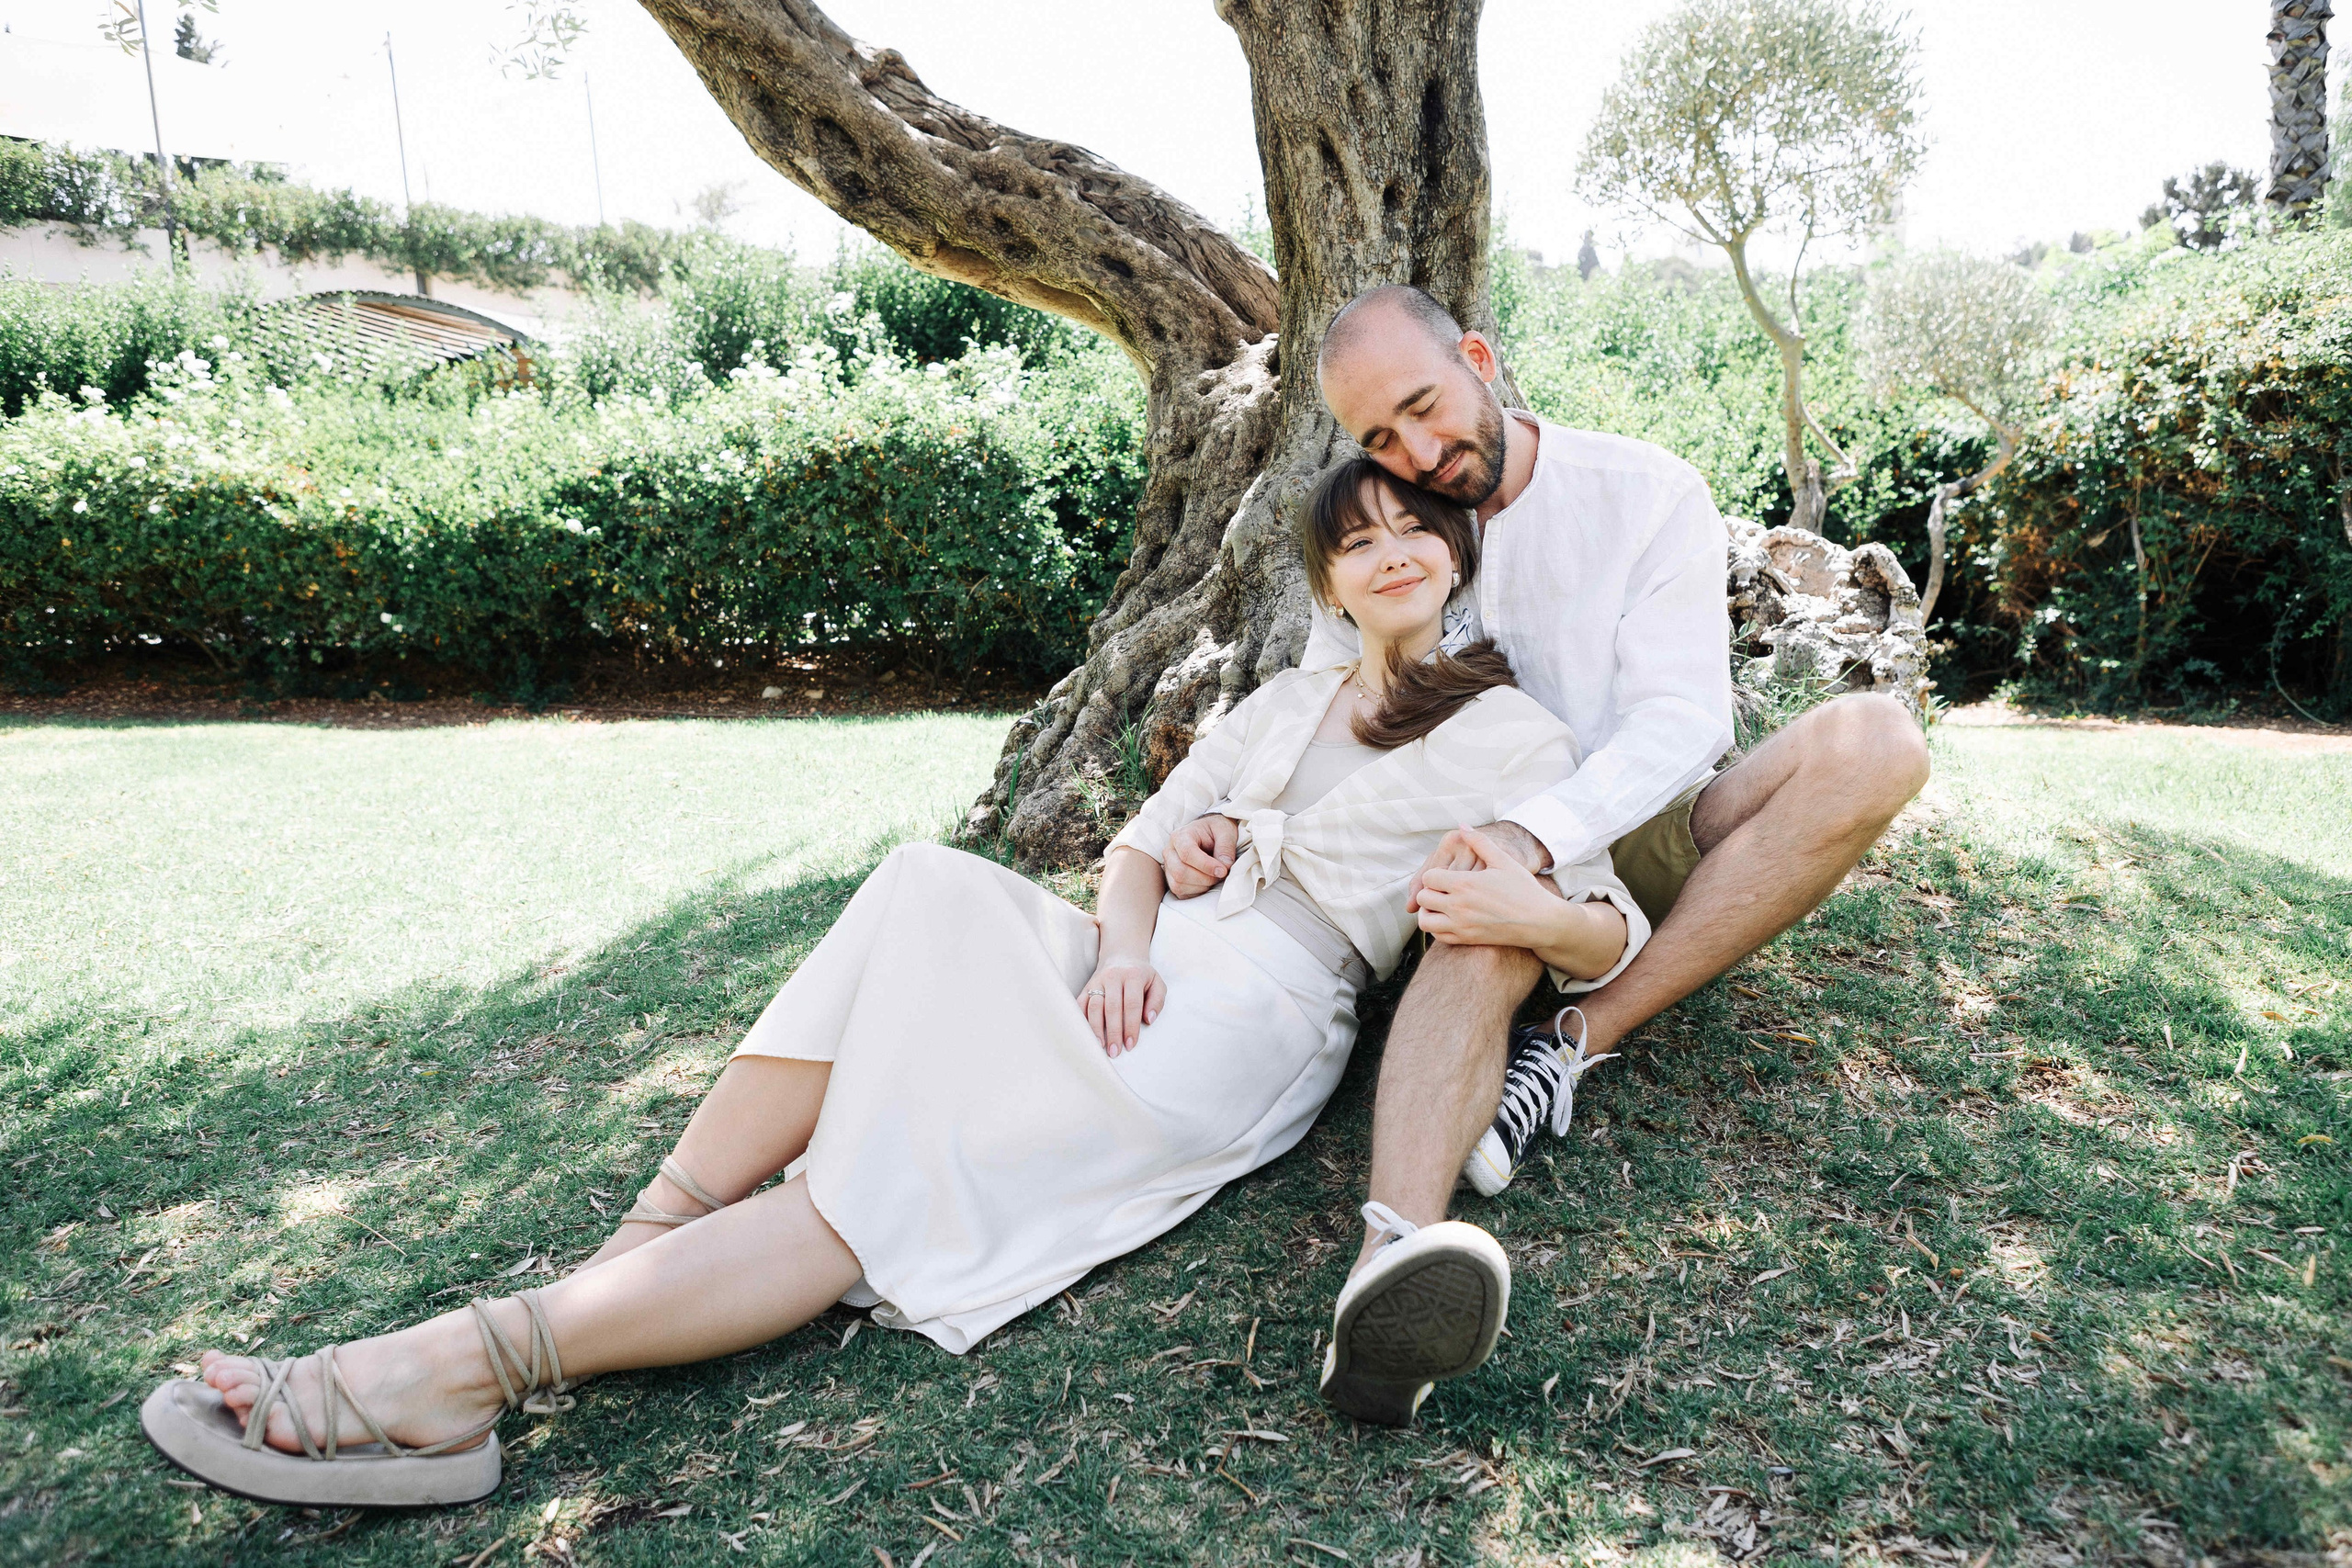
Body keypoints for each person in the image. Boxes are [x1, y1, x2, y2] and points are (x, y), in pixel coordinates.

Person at [141, 457, 1649, 1506]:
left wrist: (1518, 904)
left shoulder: (1512, 732)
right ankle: (637, 1250)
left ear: (1454, 555)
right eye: (1362, 532)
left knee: (881, 1174)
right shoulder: (1284, 698)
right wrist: (1124, 940)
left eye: (1419, 528)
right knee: (927, 884)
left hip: (1260, 1011)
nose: (1395, 548)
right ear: (1327, 573)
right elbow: (1129, 849)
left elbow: (1598, 938)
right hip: (1133, 967)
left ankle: (471, 1367)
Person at [1160, 284, 1933, 1427]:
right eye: (1380, 440)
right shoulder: (1391, 529)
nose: (1418, 455)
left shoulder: (1641, 492)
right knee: (1483, 922)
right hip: (1452, 849)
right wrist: (1228, 815)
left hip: (1633, 823)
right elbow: (1334, 700)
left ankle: (1574, 1043)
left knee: (1879, 741)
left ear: (1478, 357)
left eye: (1427, 408)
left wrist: (1540, 834)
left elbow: (1684, 721)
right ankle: (1390, 1262)